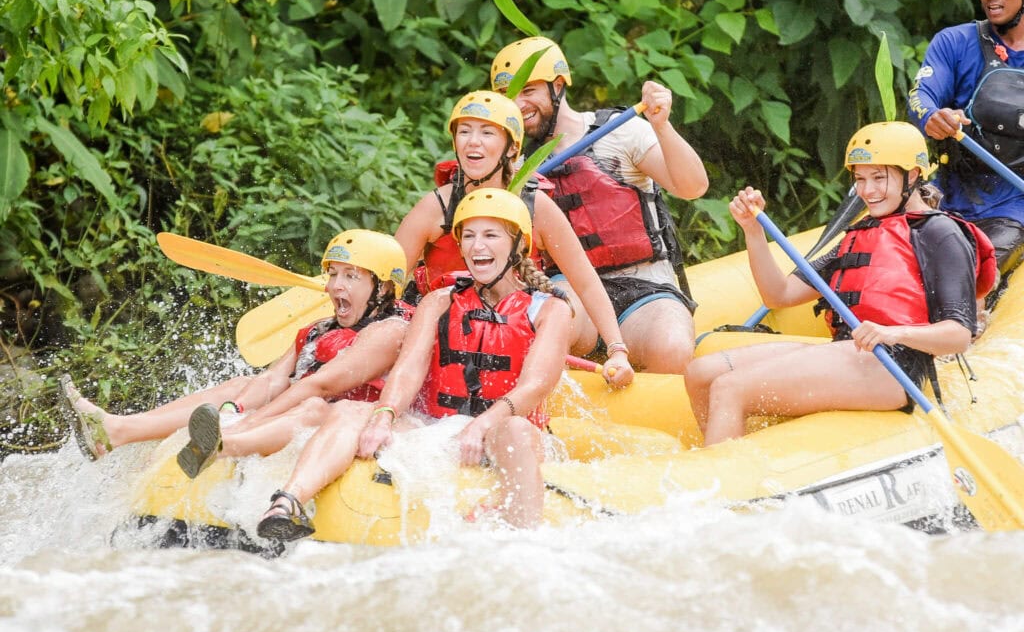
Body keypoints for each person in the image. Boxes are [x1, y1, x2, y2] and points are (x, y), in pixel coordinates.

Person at [256, 188, 573, 540]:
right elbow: (408, 369)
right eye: (468, 236)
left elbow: (535, 385)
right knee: (349, 410)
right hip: (438, 427)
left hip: (508, 429)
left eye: (490, 235)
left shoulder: (550, 309)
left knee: (513, 431)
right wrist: (384, 415)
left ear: (518, 246)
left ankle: (522, 539)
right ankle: (288, 502)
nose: (477, 246)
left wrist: (482, 425)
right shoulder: (439, 300)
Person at [685, 122, 995, 446]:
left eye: (879, 177)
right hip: (850, 353)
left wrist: (893, 332)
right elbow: (779, 294)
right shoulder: (863, 233)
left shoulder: (939, 232)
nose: (868, 190)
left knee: (729, 388)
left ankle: (723, 491)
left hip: (893, 365)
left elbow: (959, 335)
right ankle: (725, 456)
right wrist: (752, 230)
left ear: (913, 175)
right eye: (860, 179)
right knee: (702, 375)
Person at [59, 230, 411, 468]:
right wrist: (235, 408)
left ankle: (226, 444)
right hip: (297, 416)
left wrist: (249, 422)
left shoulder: (390, 330)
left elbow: (321, 385)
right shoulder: (320, 327)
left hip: (344, 425)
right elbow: (274, 379)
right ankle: (117, 431)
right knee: (240, 383)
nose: (336, 285)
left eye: (351, 276)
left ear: (382, 288)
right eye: (333, 274)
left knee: (314, 404)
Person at [489, 36, 709, 374]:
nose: (518, 104)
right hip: (567, 286)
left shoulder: (618, 131)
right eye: (508, 96)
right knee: (547, 328)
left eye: (528, 90)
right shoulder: (513, 167)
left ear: (558, 85)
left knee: (673, 350)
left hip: (645, 285)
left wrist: (661, 126)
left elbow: (692, 186)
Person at [395, 90, 633, 386]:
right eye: (464, 131)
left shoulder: (537, 208)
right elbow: (386, 281)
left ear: (510, 148)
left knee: (561, 308)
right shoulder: (436, 207)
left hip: (515, 328)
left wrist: (617, 349)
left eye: (487, 132)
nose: (473, 141)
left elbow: (585, 281)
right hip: (448, 328)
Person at [908, 0, 1024, 308]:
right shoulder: (954, 42)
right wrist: (933, 117)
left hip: (1013, 204)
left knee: (964, 282)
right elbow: (921, 97)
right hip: (946, 192)